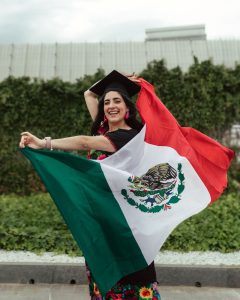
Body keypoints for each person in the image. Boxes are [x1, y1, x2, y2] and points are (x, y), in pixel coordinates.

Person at [19, 70, 161, 300]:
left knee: (131, 278)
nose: (111, 106)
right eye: (107, 102)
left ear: (128, 108)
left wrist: (43, 143)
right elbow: (89, 94)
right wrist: (117, 80)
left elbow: (85, 142)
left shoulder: (128, 138)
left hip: (124, 223)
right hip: (103, 221)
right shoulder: (104, 131)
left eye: (117, 101)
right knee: (102, 278)